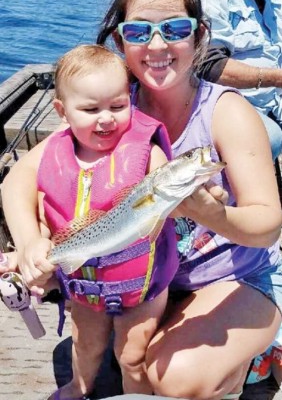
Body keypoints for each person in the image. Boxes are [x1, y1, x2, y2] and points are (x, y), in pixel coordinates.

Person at [2, 0, 282, 399]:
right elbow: (19, 177)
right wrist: (31, 244)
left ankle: (247, 362)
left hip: (231, 280)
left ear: (200, 35)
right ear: (120, 40)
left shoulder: (227, 113)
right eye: (138, 32)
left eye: (175, 29)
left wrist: (214, 214)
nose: (157, 45)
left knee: (175, 378)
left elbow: (267, 225)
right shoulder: (113, 109)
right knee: (131, 362)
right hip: (147, 282)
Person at [9, 43, 180, 400]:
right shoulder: (53, 149)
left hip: (141, 287)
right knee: (85, 346)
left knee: (132, 356)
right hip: (85, 286)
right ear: (62, 111)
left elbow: (172, 193)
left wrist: (201, 195)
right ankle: (79, 386)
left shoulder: (147, 151)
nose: (106, 118)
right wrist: (29, 243)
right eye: (90, 109)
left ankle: (135, 395)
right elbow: (14, 183)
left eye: (118, 106)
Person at [191, 0, 282, 160]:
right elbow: (210, 67)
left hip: (275, 101)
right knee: (271, 138)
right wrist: (276, 78)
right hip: (234, 102)